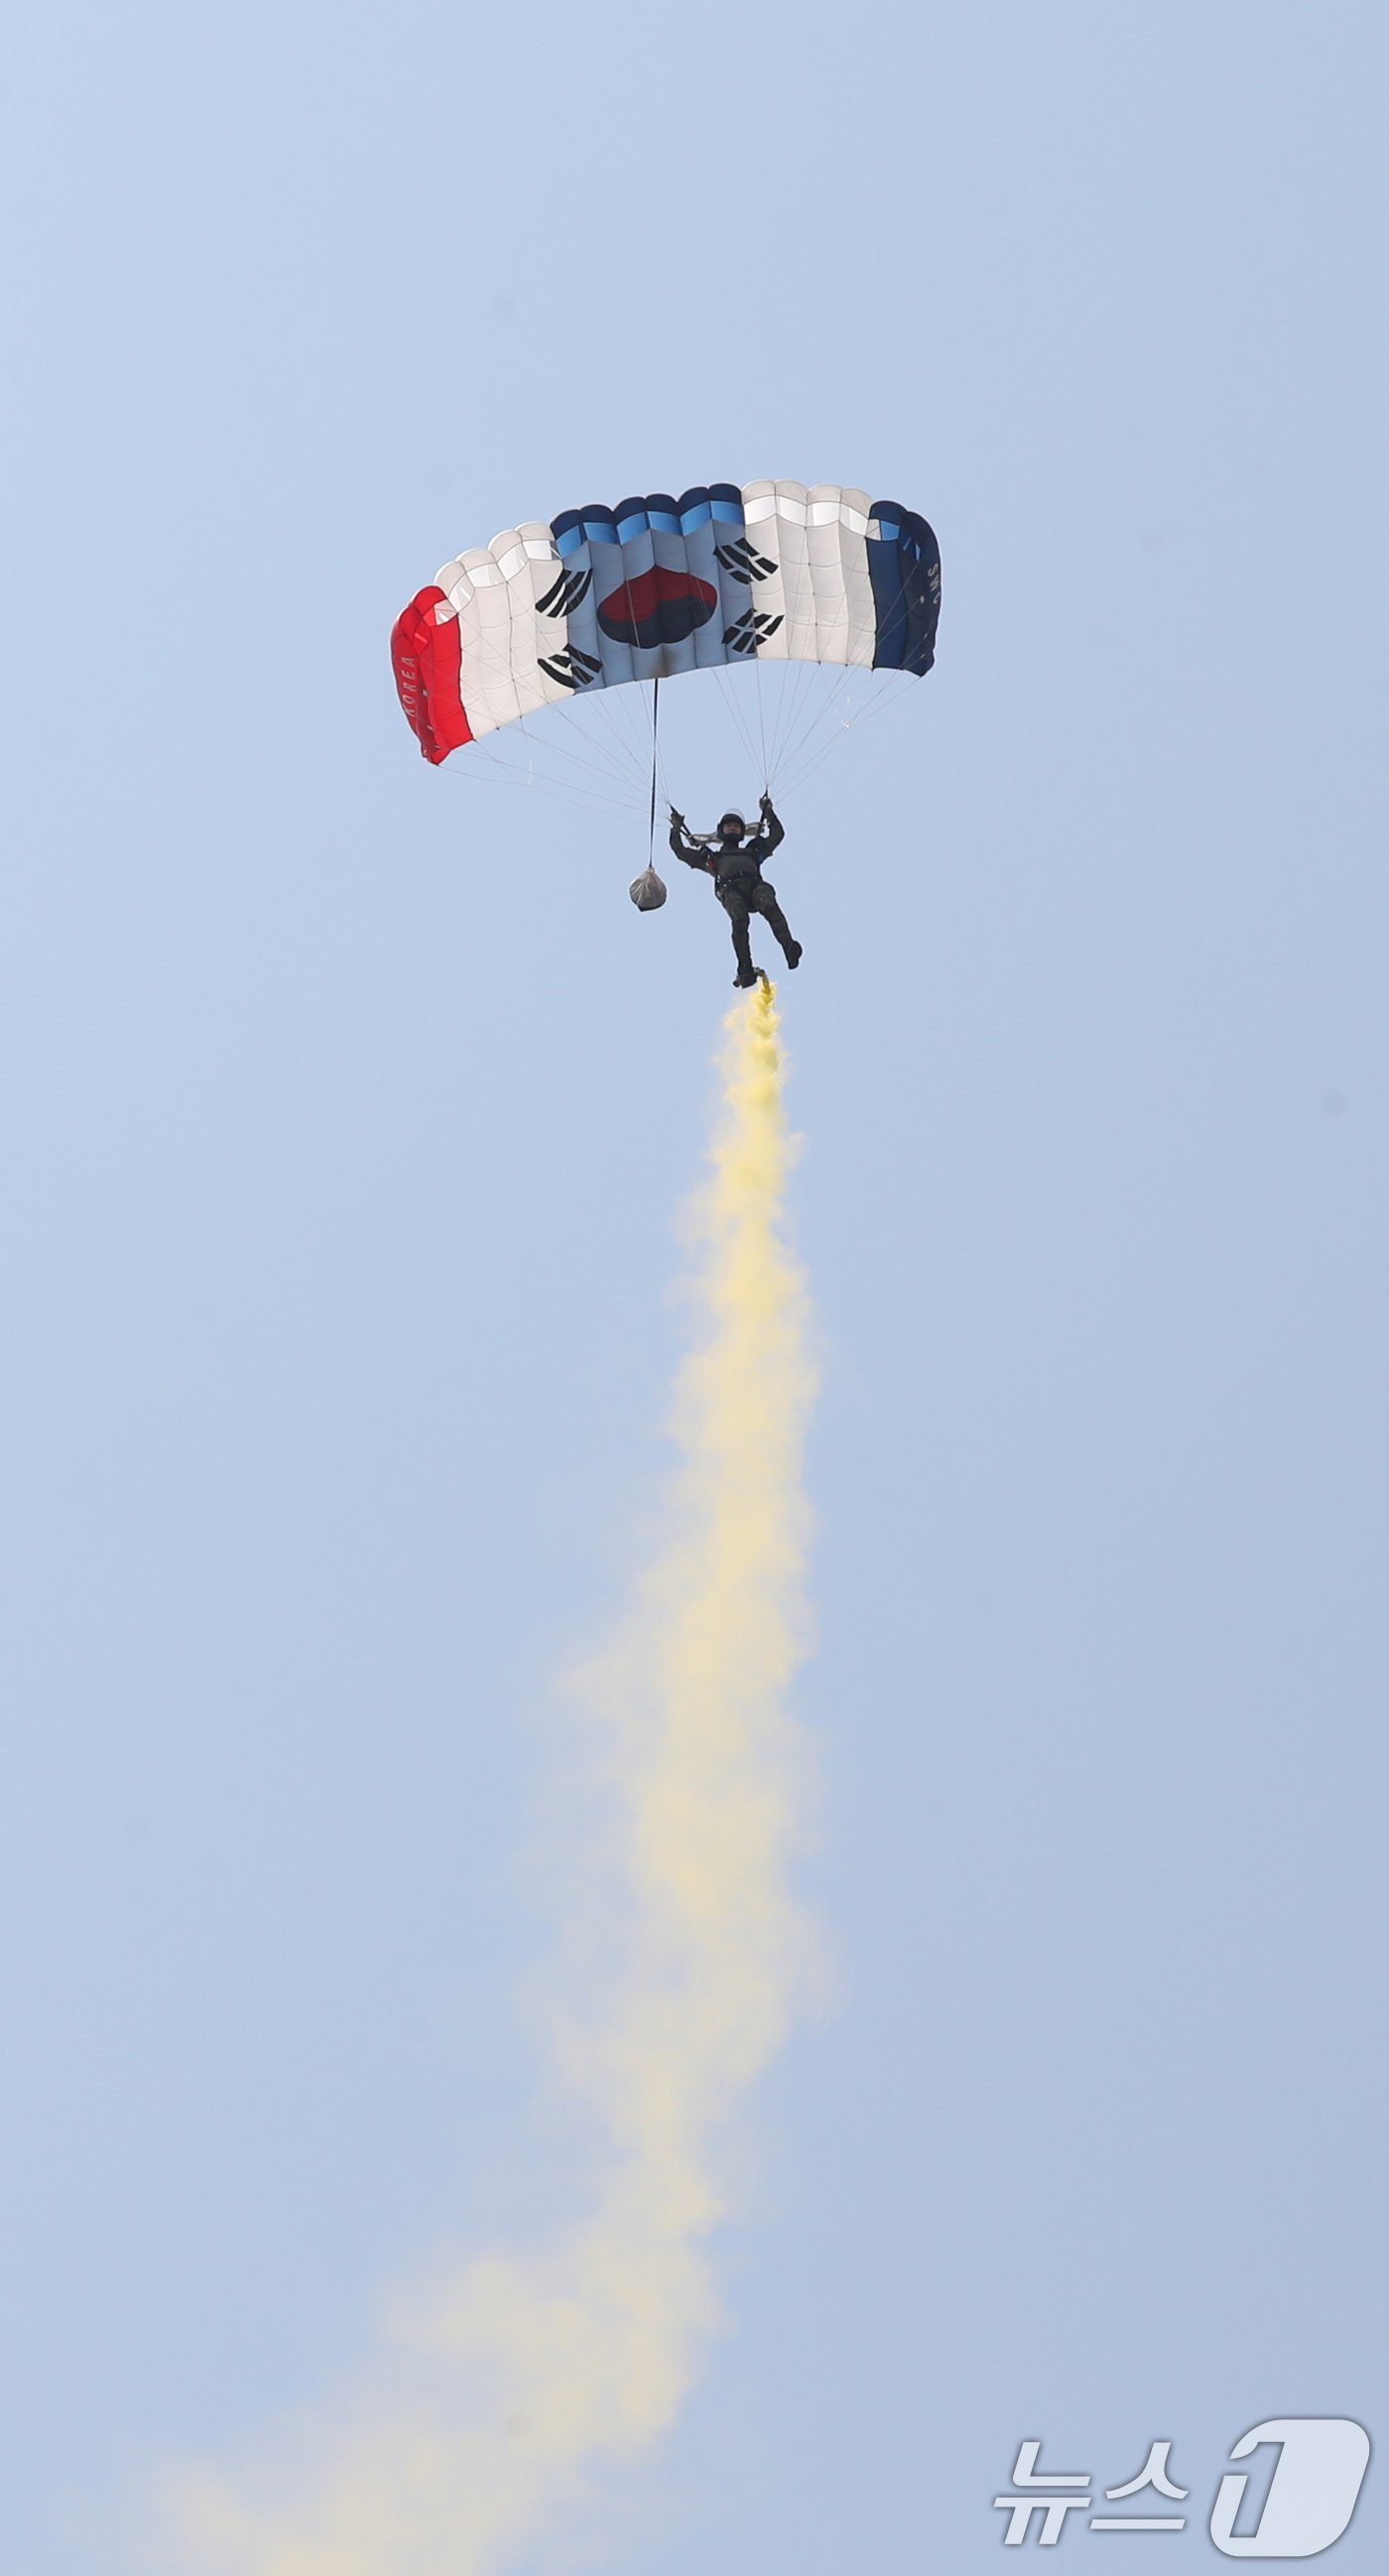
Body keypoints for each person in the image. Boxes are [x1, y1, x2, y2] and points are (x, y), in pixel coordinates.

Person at [668, 794, 803, 987]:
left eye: (736, 826)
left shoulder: (754, 850)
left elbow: (777, 835)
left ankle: (789, 947)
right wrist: (675, 827)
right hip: (730, 890)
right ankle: (745, 971)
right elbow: (679, 851)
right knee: (740, 919)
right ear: (722, 831)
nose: (733, 827)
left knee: (768, 903)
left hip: (754, 886)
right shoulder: (711, 858)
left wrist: (769, 812)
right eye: (728, 826)